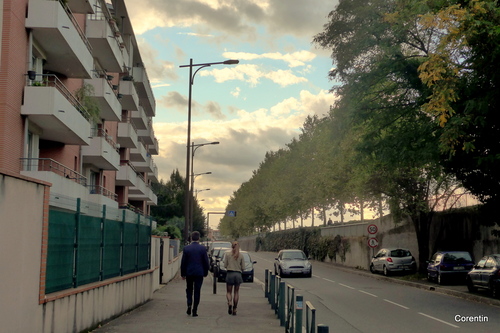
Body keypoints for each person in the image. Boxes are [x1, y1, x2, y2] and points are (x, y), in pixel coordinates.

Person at [180, 231, 209, 317]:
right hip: (199, 273)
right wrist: (205, 272)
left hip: (189, 272)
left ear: (191, 238)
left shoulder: (186, 248)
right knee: (197, 291)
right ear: (199, 238)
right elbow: (206, 262)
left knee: (189, 289)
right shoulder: (203, 249)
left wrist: (183, 274)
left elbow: (183, 262)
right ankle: (195, 310)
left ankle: (189, 303)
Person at [224, 241, 245, 315]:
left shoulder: (227, 254)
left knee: (229, 292)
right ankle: (235, 308)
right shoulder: (241, 256)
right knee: (236, 292)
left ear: (231, 247)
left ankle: (229, 302)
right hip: (238, 274)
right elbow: (243, 267)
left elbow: (225, 265)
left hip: (230, 273)